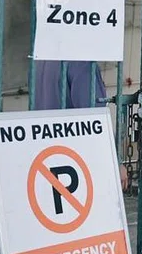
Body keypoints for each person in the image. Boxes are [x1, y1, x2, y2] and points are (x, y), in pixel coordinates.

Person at [34, 60, 128, 190]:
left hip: (47, 156)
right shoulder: (82, 62)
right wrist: (115, 161)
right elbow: (95, 120)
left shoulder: (42, 61)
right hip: (78, 161)